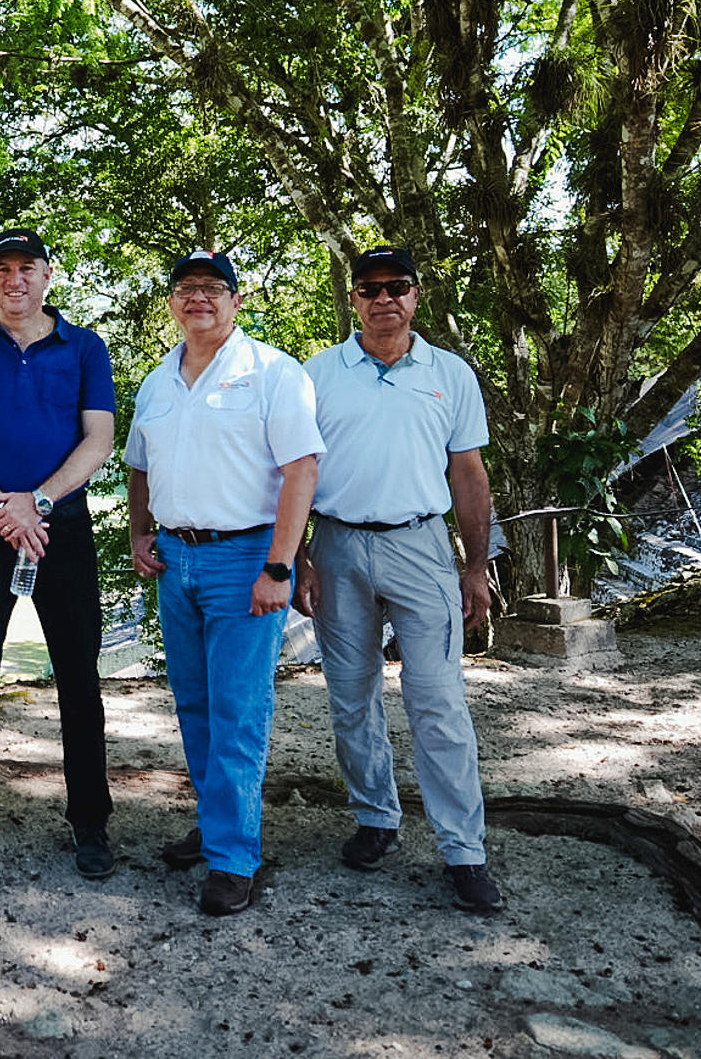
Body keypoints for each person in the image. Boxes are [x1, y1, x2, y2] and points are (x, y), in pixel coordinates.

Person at [293, 245, 503, 914]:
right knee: (351, 697)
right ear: (353, 298)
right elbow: (292, 472)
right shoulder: (315, 375)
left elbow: (468, 473)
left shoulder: (450, 373)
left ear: (417, 295)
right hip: (337, 545)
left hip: (421, 545)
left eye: (397, 287)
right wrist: (296, 555)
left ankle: (464, 850)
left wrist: (476, 565)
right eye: (370, 288)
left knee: (438, 700)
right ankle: (376, 817)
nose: (384, 298)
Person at [126, 250, 323, 916]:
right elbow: (139, 467)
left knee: (239, 710)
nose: (199, 298)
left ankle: (235, 858)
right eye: (186, 289)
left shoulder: (272, 372)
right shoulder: (158, 381)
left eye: (214, 288)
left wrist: (279, 564)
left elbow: (301, 472)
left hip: (245, 560)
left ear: (237, 302)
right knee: (195, 704)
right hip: (176, 560)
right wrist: (138, 532)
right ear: (173, 303)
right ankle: (217, 827)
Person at [0, 227, 117, 878]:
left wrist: (36, 500)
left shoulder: (86, 347)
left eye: (27, 267)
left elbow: (99, 439)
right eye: (2, 268)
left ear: (48, 275)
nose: (15, 278)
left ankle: (91, 822)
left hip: (60, 527)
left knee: (78, 679)